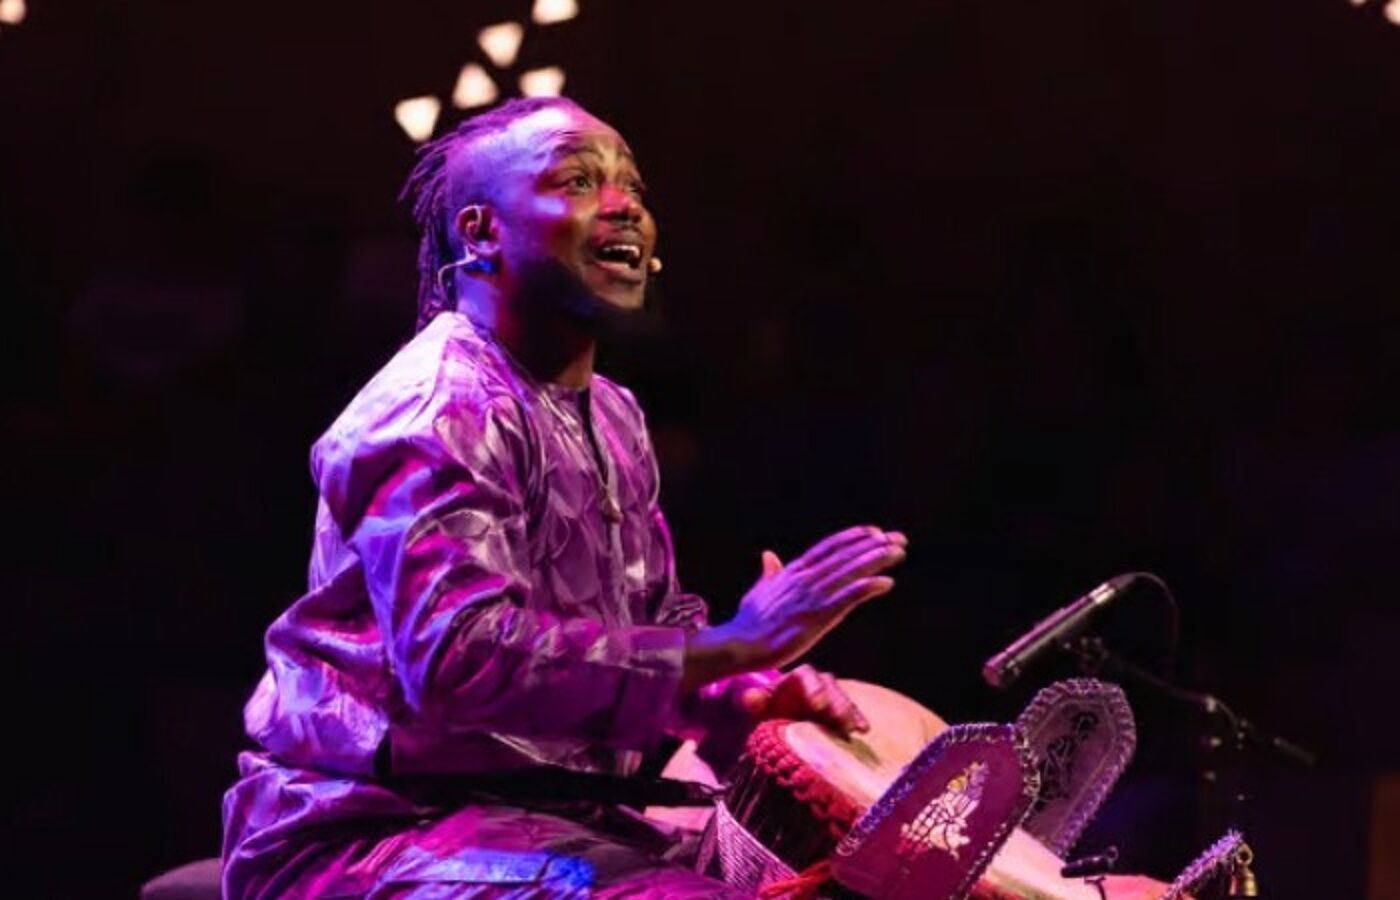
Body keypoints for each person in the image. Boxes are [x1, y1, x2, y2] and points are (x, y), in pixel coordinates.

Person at [220, 95, 909, 899]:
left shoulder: (613, 412)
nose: (625, 206)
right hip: (374, 833)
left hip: (556, 820)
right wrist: (736, 642)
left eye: (634, 187)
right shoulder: (436, 406)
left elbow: (642, 635)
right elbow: (460, 658)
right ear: (481, 234)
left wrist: (736, 693)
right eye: (578, 181)